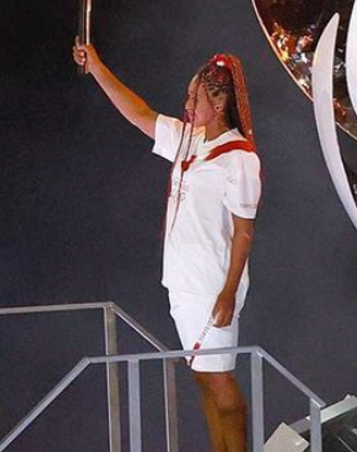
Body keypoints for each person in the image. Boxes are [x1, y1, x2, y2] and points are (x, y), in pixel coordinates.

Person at [74, 39, 261, 452]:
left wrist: (229, 293)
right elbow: (138, 113)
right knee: (202, 375)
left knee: (219, 377)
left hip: (214, 285)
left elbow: (245, 232)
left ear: (218, 101)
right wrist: (98, 67)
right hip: (182, 280)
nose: (188, 103)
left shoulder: (239, 157)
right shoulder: (186, 140)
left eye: (194, 97)